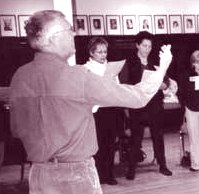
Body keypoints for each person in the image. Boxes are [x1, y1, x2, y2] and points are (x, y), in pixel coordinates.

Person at [8, 10, 172, 194]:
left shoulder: (20, 76)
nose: (74, 34)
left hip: (39, 175)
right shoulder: (77, 76)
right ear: (53, 38)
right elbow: (137, 97)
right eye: (69, 30)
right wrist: (162, 68)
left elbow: (16, 129)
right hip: (76, 176)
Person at [119, 31, 173, 180]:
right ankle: (131, 169)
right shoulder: (129, 62)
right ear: (137, 45)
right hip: (138, 104)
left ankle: (163, 165)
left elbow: (166, 80)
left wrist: (164, 85)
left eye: (149, 46)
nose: (147, 49)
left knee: (158, 135)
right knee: (136, 138)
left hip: (155, 104)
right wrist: (139, 86)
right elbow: (125, 83)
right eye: (144, 45)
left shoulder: (155, 61)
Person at [83, 37, 122, 185]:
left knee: (111, 144)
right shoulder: (86, 68)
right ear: (92, 53)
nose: (103, 55)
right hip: (96, 111)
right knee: (98, 145)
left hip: (110, 109)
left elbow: (117, 87)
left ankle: (109, 174)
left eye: (105, 52)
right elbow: (86, 91)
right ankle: (98, 175)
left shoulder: (111, 68)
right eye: (99, 52)